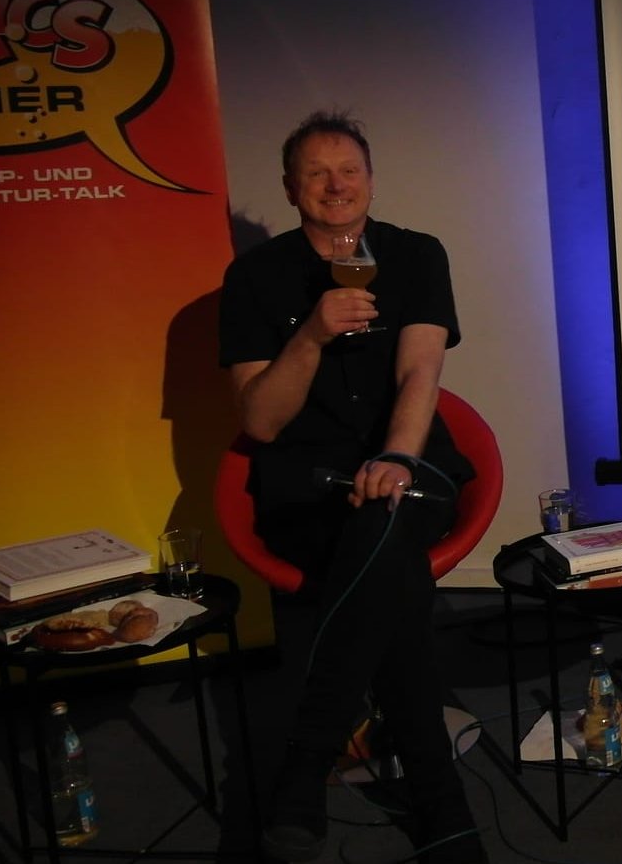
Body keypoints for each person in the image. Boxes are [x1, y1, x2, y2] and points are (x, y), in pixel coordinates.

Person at [219, 111, 483, 863]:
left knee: (386, 517)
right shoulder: (255, 277)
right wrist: (311, 334)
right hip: (309, 486)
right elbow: (261, 422)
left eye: (349, 171)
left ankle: (304, 763)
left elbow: (421, 372)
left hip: (411, 468)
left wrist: (396, 457)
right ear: (290, 187)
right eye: (316, 173)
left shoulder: (415, 254)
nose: (335, 185)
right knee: (388, 565)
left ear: (370, 180)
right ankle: (442, 802)